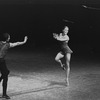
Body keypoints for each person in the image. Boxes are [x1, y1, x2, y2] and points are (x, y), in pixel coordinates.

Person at [0, 33, 28, 99]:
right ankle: (4, 94)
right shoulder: (8, 45)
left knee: (6, 72)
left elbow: (17, 43)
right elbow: (17, 43)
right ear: (6, 39)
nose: (9, 38)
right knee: (6, 75)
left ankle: (4, 93)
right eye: (9, 37)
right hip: (1, 61)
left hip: (1, 61)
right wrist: (24, 41)